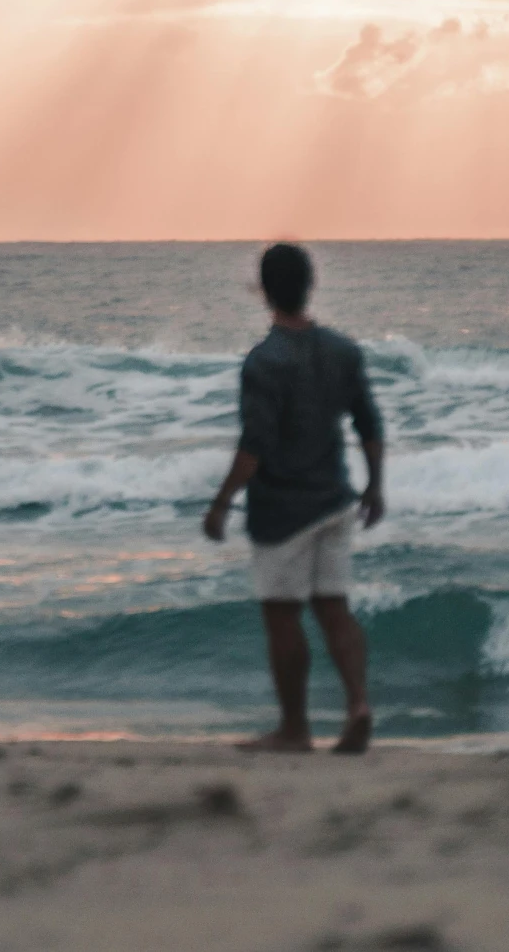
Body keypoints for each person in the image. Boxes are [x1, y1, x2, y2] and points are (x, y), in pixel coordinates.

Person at [202, 239, 385, 753]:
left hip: (282, 510)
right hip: (335, 500)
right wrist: (375, 485)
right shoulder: (344, 352)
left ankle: (295, 729)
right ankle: (359, 706)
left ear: (264, 291)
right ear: (311, 286)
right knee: (334, 607)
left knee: (282, 614)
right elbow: (369, 422)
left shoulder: (264, 362)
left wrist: (220, 504)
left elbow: (255, 446)